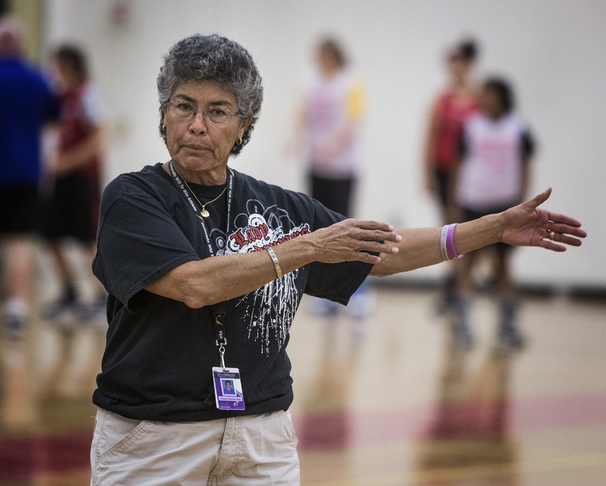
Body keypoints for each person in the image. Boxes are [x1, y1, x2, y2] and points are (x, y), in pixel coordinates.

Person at [89, 34, 585, 485]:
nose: (197, 125)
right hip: (153, 437)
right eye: (183, 106)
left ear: (245, 127)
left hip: (263, 434)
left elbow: (380, 252)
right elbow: (192, 286)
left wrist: (493, 228)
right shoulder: (134, 198)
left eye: (218, 111)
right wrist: (306, 247)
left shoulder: (278, 205)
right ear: (163, 113)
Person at [0, 15, 60, 338]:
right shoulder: (37, 79)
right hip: (25, 174)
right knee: (20, 239)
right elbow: (52, 124)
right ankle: (16, 311)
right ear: (20, 44)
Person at [286, 36, 371, 316]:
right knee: (319, 228)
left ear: (334, 55)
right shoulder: (309, 79)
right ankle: (324, 293)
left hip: (343, 167)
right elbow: (302, 114)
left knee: (348, 225)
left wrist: (333, 144)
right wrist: (296, 139)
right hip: (317, 166)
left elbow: (354, 120)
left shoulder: (351, 81)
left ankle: (359, 291)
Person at [451, 77, 536, 350]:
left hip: (505, 205)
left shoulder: (518, 128)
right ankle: (462, 326)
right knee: (467, 262)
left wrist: (524, 200)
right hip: (473, 202)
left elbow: (525, 165)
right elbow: (458, 164)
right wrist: (454, 201)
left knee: (503, 267)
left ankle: (507, 327)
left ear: (504, 98)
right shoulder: (471, 126)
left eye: (491, 95)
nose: (486, 99)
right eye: (483, 94)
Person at [41, 44, 106, 324]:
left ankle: (103, 298)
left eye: (60, 65)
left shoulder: (88, 94)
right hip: (61, 179)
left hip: (82, 178)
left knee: (85, 239)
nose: (56, 71)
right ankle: (69, 292)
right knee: (49, 233)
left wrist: (65, 162)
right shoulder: (60, 97)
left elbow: (98, 140)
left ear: (72, 66)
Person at [422, 38, 480, 313]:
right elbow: (430, 139)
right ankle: (454, 289)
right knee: (449, 229)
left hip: (471, 177)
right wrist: (427, 175)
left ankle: (462, 287)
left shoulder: (479, 100)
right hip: (445, 173)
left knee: (470, 230)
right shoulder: (442, 100)